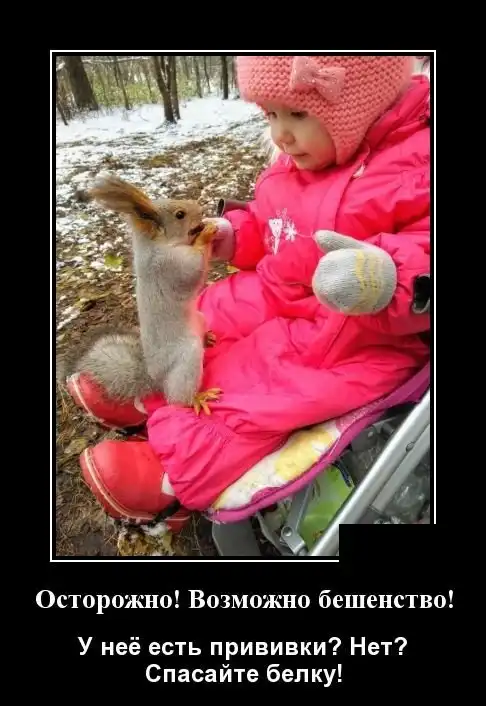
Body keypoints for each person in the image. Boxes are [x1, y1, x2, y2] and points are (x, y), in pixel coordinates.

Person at [66, 55, 430, 528]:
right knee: (210, 315)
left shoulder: (419, 166)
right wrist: (236, 234)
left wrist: (385, 279)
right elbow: (272, 221)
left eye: (296, 114)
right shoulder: (297, 161)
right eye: (270, 114)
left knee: (268, 378)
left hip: (356, 328)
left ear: (363, 105)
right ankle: (151, 386)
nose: (280, 134)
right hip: (279, 287)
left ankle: (181, 466)